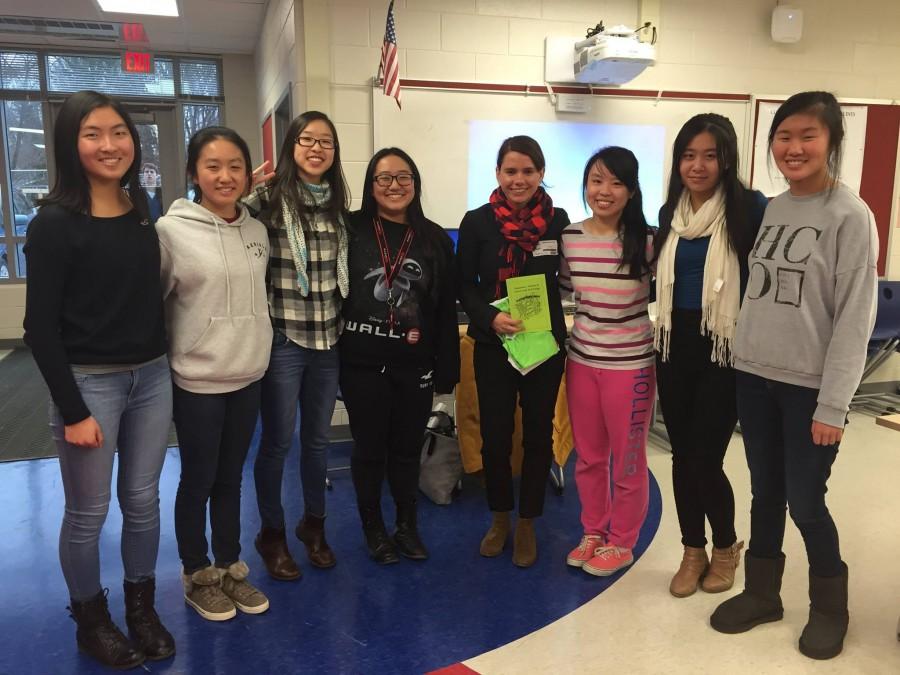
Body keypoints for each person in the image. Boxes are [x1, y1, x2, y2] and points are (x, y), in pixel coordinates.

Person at [711, 92, 878, 661]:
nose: (794, 147)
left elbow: (856, 319)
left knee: (806, 501)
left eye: (808, 135)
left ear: (832, 141)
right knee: (765, 493)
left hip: (810, 389)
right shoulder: (777, 207)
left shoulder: (850, 216)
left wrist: (834, 405)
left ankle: (831, 607)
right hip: (756, 377)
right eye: (784, 136)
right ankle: (763, 593)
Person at [23, 90, 173, 669]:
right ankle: (90, 617)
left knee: (141, 501)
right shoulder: (54, 223)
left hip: (152, 377)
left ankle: (141, 609)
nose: (109, 145)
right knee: (88, 513)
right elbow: (40, 328)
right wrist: (74, 409)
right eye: (93, 133)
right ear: (71, 142)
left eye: (118, 132)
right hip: (91, 384)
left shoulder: (142, 210)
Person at [156, 127, 272, 621]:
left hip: (248, 374)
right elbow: (154, 303)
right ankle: (196, 573)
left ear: (248, 174)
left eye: (235, 166)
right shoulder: (170, 231)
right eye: (212, 166)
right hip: (198, 379)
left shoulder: (257, 230)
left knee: (231, 478)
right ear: (193, 173)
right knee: (198, 479)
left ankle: (228, 566)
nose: (225, 176)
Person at [653, 113, 767, 598]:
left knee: (705, 457)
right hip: (674, 342)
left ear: (727, 159)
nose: (697, 166)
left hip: (724, 346)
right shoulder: (669, 213)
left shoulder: (749, 209)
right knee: (682, 455)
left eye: (709, 155)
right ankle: (691, 549)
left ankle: (725, 547)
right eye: (688, 155)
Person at [340, 147, 459, 563]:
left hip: (415, 365)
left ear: (415, 184)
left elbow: (445, 309)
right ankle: (373, 528)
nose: (394, 186)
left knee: (407, 450)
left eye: (403, 177)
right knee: (370, 450)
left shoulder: (435, 239)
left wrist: (447, 370)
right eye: (384, 178)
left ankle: (407, 526)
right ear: (371, 185)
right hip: (361, 364)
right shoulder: (350, 229)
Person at [456, 135, 569, 568]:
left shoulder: (558, 222)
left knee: (539, 436)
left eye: (527, 171)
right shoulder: (477, 222)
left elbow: (569, 278)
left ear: (540, 173)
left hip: (543, 346)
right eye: (510, 171)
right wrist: (489, 317)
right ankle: (500, 517)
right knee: (496, 437)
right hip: (494, 344)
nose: (518, 179)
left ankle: (528, 521)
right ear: (498, 174)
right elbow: (464, 285)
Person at [247, 111, 350, 580]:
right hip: (285, 338)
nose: (316, 148)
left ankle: (314, 525)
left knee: (317, 441)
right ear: (292, 147)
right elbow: (217, 218)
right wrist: (243, 189)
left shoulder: (338, 204)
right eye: (307, 139)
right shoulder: (268, 198)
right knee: (276, 442)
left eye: (325, 142)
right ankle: (272, 534)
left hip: (328, 339)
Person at [560, 147, 655, 577]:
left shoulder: (649, 242)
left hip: (631, 365)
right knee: (589, 458)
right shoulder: (570, 238)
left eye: (616, 182)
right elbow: (563, 293)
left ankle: (622, 541)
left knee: (628, 460)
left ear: (632, 191)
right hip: (581, 362)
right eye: (596, 180)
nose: (604, 191)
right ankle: (593, 532)